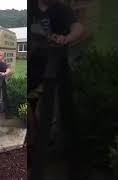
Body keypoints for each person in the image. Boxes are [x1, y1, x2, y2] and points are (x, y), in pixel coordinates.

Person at [29, 0, 84, 180]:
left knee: (67, 110)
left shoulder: (62, 9)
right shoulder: (29, 7)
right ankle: (30, 148)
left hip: (57, 62)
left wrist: (66, 38)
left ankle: (74, 165)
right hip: (34, 62)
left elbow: (78, 28)